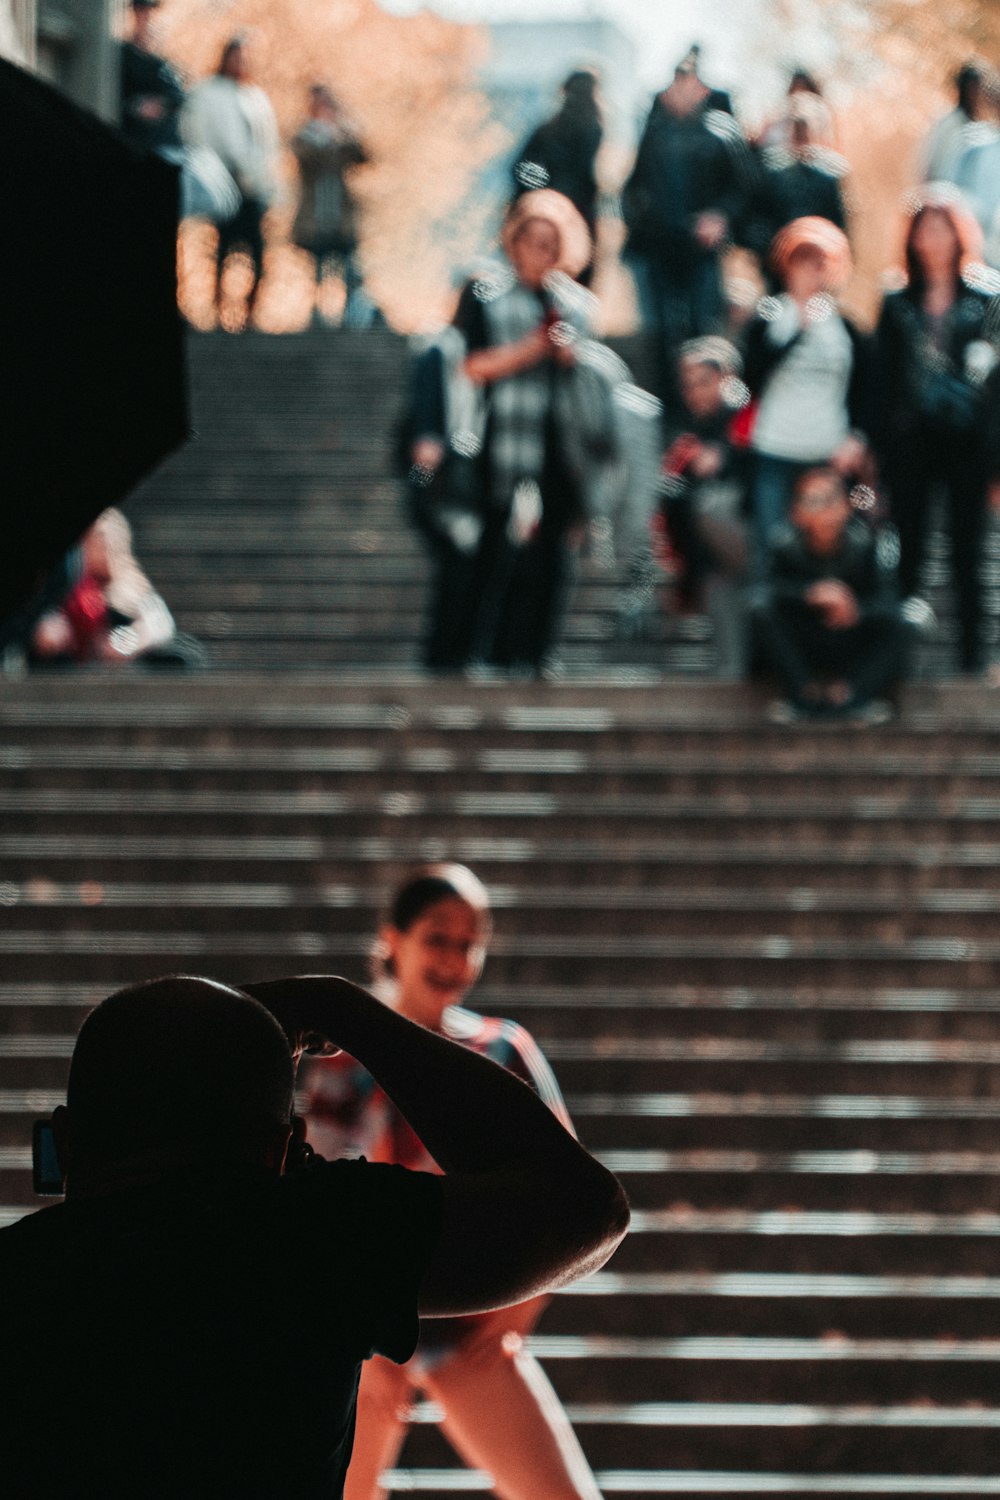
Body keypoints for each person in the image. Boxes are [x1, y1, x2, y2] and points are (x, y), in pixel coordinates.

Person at [0, 971, 628, 1499]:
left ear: (67, 1141)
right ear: (281, 1152)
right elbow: (585, 1210)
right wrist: (343, 1008)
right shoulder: (314, 1242)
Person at [306, 864, 605, 1500]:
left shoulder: (502, 1050)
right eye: (438, 938)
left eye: (471, 942)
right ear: (394, 940)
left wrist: (516, 1316)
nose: (454, 957)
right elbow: (319, 1206)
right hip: (370, 1329)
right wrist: (357, 1336)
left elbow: (574, 1197)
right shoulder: (339, 1062)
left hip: (473, 1318)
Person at [450, 189, 606, 676]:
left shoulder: (577, 306)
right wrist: (531, 350)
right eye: (531, 241)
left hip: (560, 443)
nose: (540, 254)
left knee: (552, 556)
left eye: (550, 244)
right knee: (492, 549)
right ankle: (478, 650)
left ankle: (537, 651)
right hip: (498, 437)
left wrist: (567, 355)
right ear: (513, 242)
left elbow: (594, 376)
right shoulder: (484, 295)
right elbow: (470, 365)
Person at [875, 186, 1000, 674]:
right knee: (908, 553)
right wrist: (877, 450)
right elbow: (881, 384)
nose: (933, 236)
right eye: (924, 227)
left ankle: (972, 663)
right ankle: (898, 661)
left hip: (969, 445)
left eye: (943, 226)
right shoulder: (896, 302)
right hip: (910, 444)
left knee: (968, 555)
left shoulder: (987, 299)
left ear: (959, 232)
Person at [741, 216, 875, 568]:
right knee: (770, 549)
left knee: (829, 553)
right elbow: (751, 379)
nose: (810, 271)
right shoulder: (769, 317)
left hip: (827, 451)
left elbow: (866, 389)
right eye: (802, 260)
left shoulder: (845, 326)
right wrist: (796, 331)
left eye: (820, 262)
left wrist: (857, 438)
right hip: (775, 447)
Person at [622, 48, 750, 386]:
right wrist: (642, 220)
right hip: (659, 247)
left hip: (701, 250)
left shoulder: (721, 134)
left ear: (702, 90)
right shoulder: (654, 135)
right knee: (662, 331)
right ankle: (668, 407)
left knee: (703, 328)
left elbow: (744, 190)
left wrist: (721, 217)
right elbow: (633, 188)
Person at [750, 465, 913, 722]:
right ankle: (805, 693)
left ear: (846, 507)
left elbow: (889, 601)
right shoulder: (782, 546)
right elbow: (761, 591)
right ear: (796, 513)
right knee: (761, 612)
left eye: (831, 499)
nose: (824, 510)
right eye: (813, 501)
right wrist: (809, 594)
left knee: (905, 623)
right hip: (803, 640)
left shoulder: (864, 545)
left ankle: (851, 694)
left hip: (849, 639)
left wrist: (855, 608)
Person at [658, 337, 751, 677]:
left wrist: (724, 458)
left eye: (703, 382)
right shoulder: (691, 432)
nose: (694, 393)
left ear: (727, 378)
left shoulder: (749, 416)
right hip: (714, 559)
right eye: (688, 385)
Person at [182, 35, 280, 326]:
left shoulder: (255, 97)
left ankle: (249, 314)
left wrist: (264, 181)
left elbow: (268, 145)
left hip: (253, 188)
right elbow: (200, 134)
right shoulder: (208, 93)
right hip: (223, 182)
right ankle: (218, 312)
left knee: (257, 252)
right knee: (223, 252)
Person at [27, 508, 203, 669]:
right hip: (73, 661)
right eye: (100, 541)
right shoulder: (69, 583)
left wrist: (129, 641)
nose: (107, 548)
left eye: (114, 540)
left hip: (123, 662)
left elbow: (159, 623)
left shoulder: (132, 584)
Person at [291, 84, 371, 328]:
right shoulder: (304, 136)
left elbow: (363, 156)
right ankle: (316, 316)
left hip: (340, 214)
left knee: (347, 268)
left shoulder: (343, 135)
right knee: (317, 269)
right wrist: (328, 138)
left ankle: (349, 317)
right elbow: (308, 158)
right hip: (315, 215)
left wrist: (345, 132)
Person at [742, 93, 849, 274]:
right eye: (797, 129)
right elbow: (755, 221)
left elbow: (839, 227)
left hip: (818, 268)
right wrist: (771, 252)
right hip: (778, 268)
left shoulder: (829, 176)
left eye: (804, 129)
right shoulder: (771, 173)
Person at [512, 70, 603, 280]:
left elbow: (521, 171)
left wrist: (538, 197)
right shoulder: (595, 132)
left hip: (541, 219)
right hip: (578, 221)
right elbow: (594, 181)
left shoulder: (546, 129)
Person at [119, 0, 185, 157]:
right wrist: (136, 107)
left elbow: (178, 97)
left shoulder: (160, 62)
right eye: (142, 12)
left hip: (163, 144)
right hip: (134, 141)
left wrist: (161, 104)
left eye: (150, 12)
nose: (147, 17)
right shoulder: (122, 55)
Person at [921, 60, 986, 185]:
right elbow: (928, 163)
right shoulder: (947, 123)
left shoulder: (981, 129)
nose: (975, 93)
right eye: (971, 87)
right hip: (943, 191)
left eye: (977, 87)